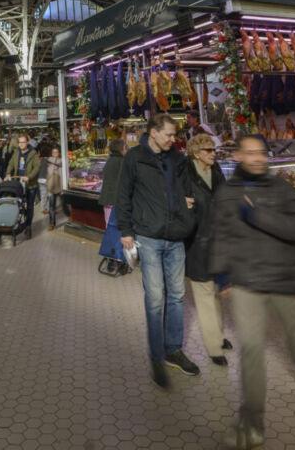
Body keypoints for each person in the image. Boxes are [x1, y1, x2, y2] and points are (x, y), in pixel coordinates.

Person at [212, 135, 295, 449]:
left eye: (261, 153)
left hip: (282, 277)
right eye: (250, 153)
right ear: (238, 156)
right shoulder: (226, 193)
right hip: (246, 280)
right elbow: (221, 234)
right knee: (250, 350)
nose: (257, 158)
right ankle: (253, 419)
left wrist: (257, 215)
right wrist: (223, 276)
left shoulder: (282, 188)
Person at [116, 113, 199, 387]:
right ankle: (156, 355)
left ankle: (173, 350)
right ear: (153, 132)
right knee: (155, 298)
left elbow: (188, 190)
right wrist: (126, 231)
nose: (173, 139)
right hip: (148, 237)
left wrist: (188, 207)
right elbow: (123, 195)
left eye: (174, 135)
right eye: (168, 135)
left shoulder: (177, 158)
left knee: (176, 296)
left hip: (176, 237)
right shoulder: (134, 158)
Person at [181, 133, 231, 366]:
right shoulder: (185, 173)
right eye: (209, 150)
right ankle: (213, 346)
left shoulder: (216, 170)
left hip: (218, 240)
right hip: (197, 243)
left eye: (214, 150)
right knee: (204, 295)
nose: (213, 154)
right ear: (195, 153)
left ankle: (218, 335)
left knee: (216, 291)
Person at [6, 134, 40, 229]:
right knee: (17, 204)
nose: (21, 144)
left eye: (23, 142)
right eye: (19, 142)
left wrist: (29, 177)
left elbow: (37, 167)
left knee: (29, 206)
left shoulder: (33, 154)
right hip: (18, 184)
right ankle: (18, 221)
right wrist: (8, 173)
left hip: (30, 185)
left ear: (27, 143)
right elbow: (11, 164)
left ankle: (28, 225)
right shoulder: (16, 152)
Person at [97, 139, 127, 224]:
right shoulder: (122, 161)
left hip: (107, 199)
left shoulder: (110, 159)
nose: (126, 150)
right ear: (121, 149)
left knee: (109, 225)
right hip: (116, 201)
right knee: (117, 227)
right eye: (125, 148)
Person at [45, 146, 64, 229]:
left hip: (60, 186)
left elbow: (63, 175)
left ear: (59, 153)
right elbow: (47, 175)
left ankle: (70, 217)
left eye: (57, 152)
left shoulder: (62, 162)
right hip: (51, 187)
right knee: (52, 206)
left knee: (64, 204)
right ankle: (52, 223)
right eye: (54, 152)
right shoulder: (48, 161)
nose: (55, 154)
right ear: (52, 153)